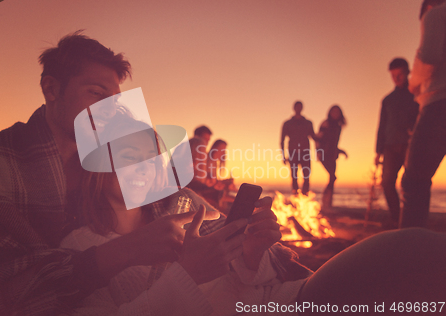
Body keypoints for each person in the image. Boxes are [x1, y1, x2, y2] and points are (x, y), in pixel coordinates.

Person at [0, 32, 227, 315]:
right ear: (51, 89)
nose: (109, 110)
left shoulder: (108, 159)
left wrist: (245, 234)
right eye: (96, 93)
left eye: (115, 100)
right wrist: (121, 253)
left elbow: (161, 200)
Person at [60, 115, 310, 315]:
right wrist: (187, 276)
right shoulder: (81, 250)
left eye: (150, 159)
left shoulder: (182, 203)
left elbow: (249, 277)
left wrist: (252, 254)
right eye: (128, 157)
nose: (142, 169)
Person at [401, 0, 446, 228]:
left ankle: (408, 251)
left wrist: (414, 82)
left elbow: (428, 56)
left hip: (439, 105)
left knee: (414, 182)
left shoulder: (436, 14)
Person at [374, 58, 419, 228]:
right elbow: (381, 126)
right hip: (390, 146)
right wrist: (378, 151)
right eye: (393, 76)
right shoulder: (387, 100)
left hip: (410, 144)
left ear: (407, 72)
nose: (396, 78)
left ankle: (412, 220)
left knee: (411, 182)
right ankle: (397, 218)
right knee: (386, 183)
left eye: (399, 74)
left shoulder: (417, 95)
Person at [280, 101, 317, 195]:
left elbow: (314, 137)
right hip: (293, 152)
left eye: (300, 107)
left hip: (305, 152)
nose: (298, 108)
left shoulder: (308, 123)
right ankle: (295, 194)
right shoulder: (287, 123)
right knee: (294, 176)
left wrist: (324, 135)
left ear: (302, 108)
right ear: (294, 108)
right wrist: (283, 156)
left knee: (306, 175)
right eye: (297, 107)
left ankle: (305, 194)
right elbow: (282, 140)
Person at [316, 105, 348, 210]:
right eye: (333, 111)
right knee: (333, 177)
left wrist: (341, 151)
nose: (335, 113)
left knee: (332, 178)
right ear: (329, 112)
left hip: (333, 155)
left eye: (337, 112)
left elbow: (334, 142)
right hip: (324, 153)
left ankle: (328, 203)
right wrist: (319, 152)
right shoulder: (325, 123)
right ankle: (325, 200)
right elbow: (318, 139)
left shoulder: (338, 126)